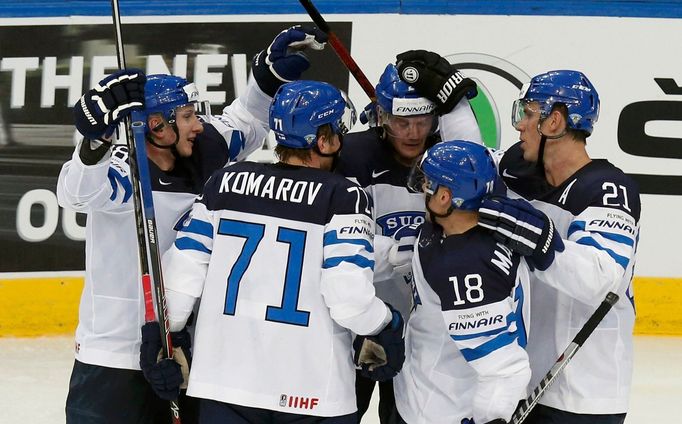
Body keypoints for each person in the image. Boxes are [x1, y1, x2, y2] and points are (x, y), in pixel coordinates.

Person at [57, 26, 328, 424]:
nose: (198, 124)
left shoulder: (206, 148)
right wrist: (93, 140)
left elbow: (247, 119)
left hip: (189, 353)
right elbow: (77, 192)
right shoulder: (122, 171)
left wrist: (268, 79)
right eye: (186, 116)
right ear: (156, 126)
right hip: (115, 358)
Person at [398, 52, 641, 423]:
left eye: (527, 114)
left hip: (584, 390)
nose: (520, 126)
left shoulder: (608, 191)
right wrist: (452, 105)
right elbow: (469, 163)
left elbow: (600, 279)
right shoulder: (518, 168)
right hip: (522, 381)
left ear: (554, 121)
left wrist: (544, 243)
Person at [155, 79, 405, 423]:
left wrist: (168, 338)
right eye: (337, 132)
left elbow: (177, 283)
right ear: (323, 139)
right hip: (312, 393)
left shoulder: (225, 183)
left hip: (222, 385)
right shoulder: (343, 196)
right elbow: (349, 300)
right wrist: (387, 323)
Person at [335, 61, 481, 423]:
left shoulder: (450, 159)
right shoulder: (352, 156)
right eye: (402, 122)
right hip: (361, 322)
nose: (414, 133)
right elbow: (335, 242)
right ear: (381, 117)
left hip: (423, 333)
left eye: (423, 121)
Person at [392, 140, 531, 424]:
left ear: (445, 197)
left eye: (428, 183)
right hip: (428, 395)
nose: (422, 189)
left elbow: (504, 370)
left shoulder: (465, 267)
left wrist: (488, 418)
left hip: (445, 410)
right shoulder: (457, 230)